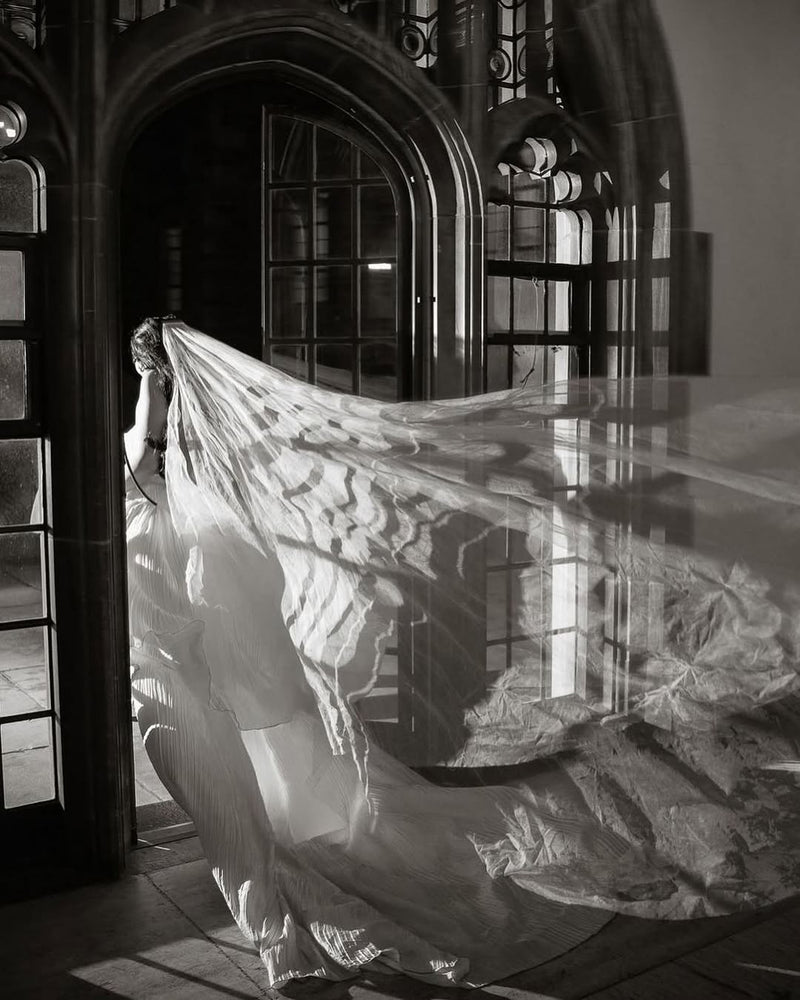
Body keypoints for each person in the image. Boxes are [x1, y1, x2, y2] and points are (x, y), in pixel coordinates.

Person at [126, 317, 800, 988]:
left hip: (219, 674)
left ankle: (281, 932)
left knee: (254, 814)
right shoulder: (197, 469)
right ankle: (288, 907)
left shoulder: (187, 469)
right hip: (213, 673)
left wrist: (155, 376)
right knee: (268, 811)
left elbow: (149, 453)